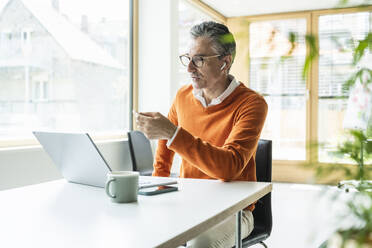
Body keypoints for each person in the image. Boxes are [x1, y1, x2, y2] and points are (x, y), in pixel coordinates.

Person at [135, 21, 268, 248]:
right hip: (187, 202)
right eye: (188, 58)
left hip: (234, 211)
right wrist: (158, 189)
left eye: (199, 60)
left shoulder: (251, 103)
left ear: (224, 62)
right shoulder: (183, 96)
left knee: (201, 243)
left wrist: (172, 132)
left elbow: (229, 167)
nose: (189, 68)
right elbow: (164, 150)